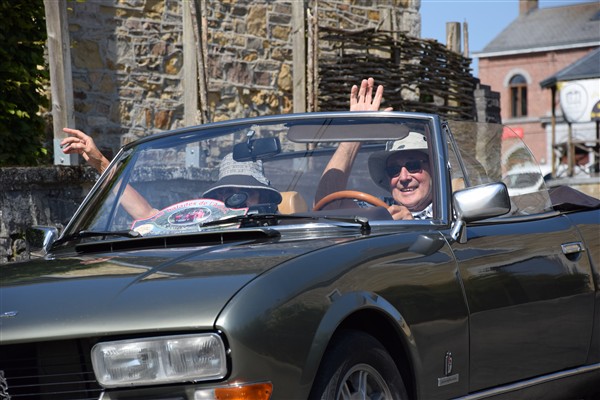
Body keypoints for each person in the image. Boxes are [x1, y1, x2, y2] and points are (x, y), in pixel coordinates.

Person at [60, 128, 281, 220]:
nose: (236, 199)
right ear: (217, 196)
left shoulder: (283, 232)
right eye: (228, 191)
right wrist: (101, 163)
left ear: (262, 197)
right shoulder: (206, 224)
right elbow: (148, 215)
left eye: (246, 192)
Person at [315, 77, 433, 220]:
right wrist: (354, 135)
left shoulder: (452, 212)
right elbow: (325, 209)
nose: (403, 177)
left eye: (413, 166)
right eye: (394, 170)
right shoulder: (379, 210)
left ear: (433, 169)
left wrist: (412, 226)